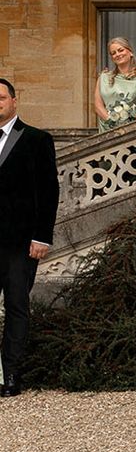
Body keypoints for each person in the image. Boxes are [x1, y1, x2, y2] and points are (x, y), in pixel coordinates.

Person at [0, 79, 59, 397]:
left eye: (1, 97)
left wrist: (42, 237)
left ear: (13, 101)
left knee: (16, 306)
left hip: (20, 243)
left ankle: (10, 375)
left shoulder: (37, 139)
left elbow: (49, 191)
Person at [94, 37, 136, 133]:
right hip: (108, 130)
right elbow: (98, 105)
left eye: (120, 50)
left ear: (130, 52)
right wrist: (112, 122)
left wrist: (133, 127)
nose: (117, 54)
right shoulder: (104, 77)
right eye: (113, 53)